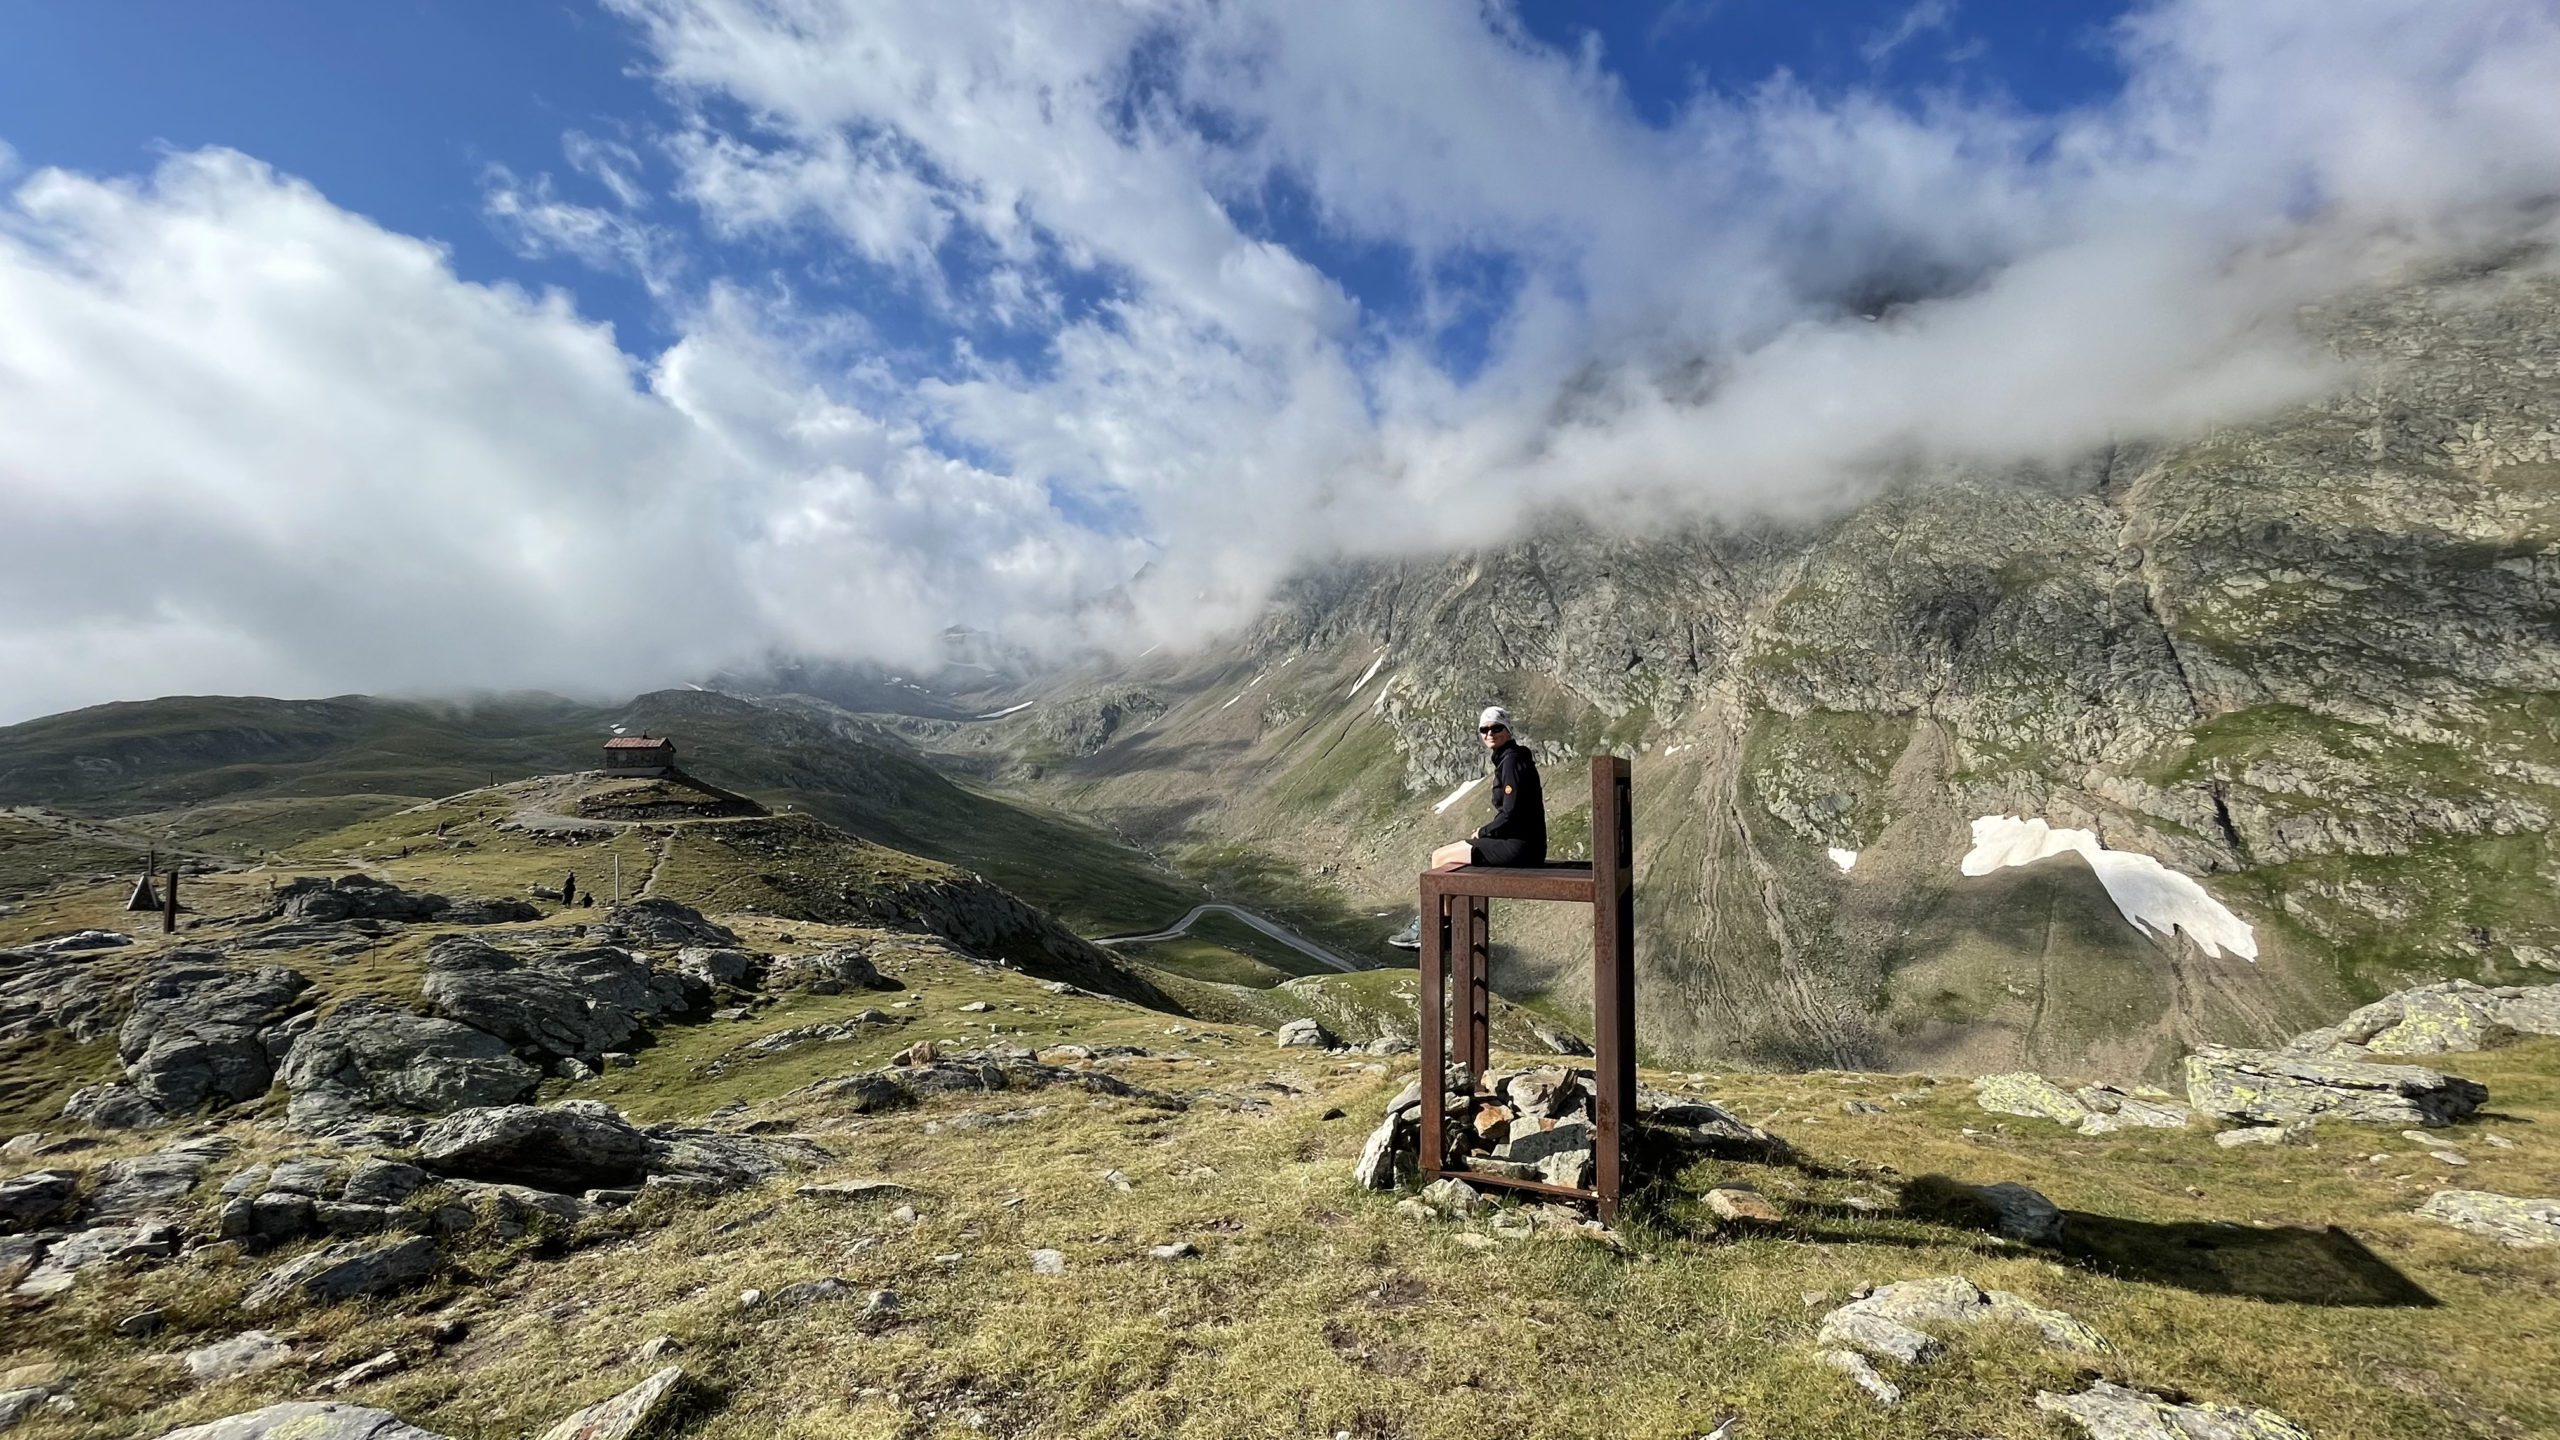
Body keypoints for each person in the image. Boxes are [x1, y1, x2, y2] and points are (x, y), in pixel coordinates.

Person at [1429, 705, 1546, 869]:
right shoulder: (1512, 758)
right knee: (1443, 857)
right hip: (1526, 845)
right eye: (1484, 730)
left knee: (1440, 857)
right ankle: (1456, 894)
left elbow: (1510, 813)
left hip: (1520, 848)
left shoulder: (1511, 761)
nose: (1490, 734)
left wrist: (1483, 832)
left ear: (1508, 730)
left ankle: (1439, 894)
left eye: (1497, 728)